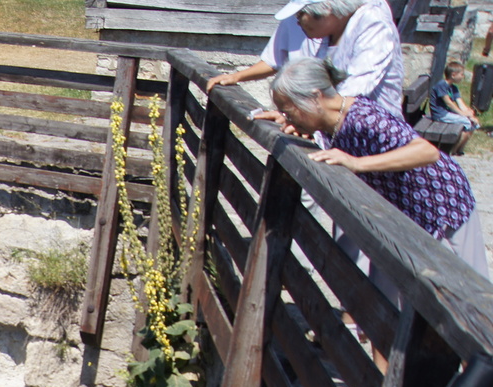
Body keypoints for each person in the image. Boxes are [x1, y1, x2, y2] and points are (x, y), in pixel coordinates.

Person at [270, 58, 489, 282]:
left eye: (289, 110)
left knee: (468, 282)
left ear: (315, 97)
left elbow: (427, 152)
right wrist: (295, 125)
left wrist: (357, 163)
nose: (288, 117)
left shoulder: (365, 119)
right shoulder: (330, 121)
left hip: (441, 200)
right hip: (404, 206)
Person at [206, 0, 403, 116]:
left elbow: (353, 93)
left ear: (327, 10)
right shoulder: (330, 31)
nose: (297, 20)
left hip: (374, 139)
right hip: (334, 133)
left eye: (302, 13)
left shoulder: (373, 23)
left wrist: (302, 116)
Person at [429, 60, 479, 153]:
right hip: (440, 115)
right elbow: (448, 103)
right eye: (461, 74)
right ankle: (452, 151)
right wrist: (463, 114)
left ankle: (460, 149)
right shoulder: (441, 85)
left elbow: (460, 103)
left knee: (473, 123)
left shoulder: (454, 88)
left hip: (448, 114)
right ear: (453, 75)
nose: (463, 77)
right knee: (467, 122)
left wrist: (469, 113)